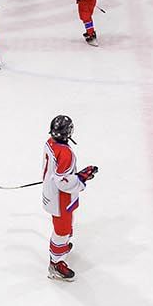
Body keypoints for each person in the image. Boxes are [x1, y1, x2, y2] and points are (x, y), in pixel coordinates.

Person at [42, 114, 97, 281]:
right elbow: (63, 182)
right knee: (62, 230)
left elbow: (57, 173)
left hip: (55, 194)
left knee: (67, 224)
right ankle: (56, 264)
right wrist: (81, 178)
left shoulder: (50, 143)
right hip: (60, 198)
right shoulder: (65, 153)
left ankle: (62, 247)